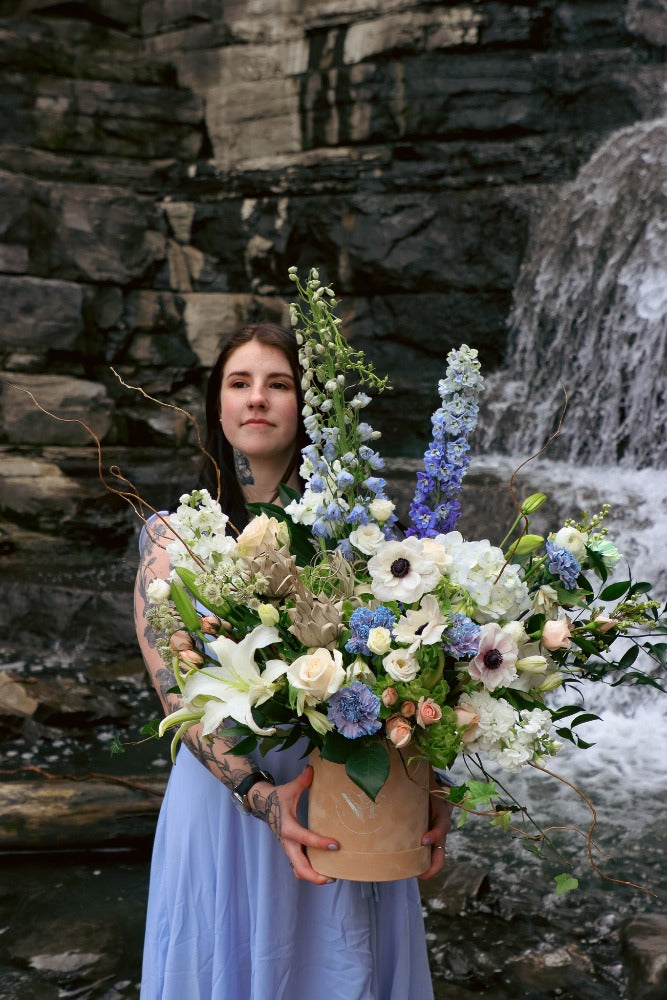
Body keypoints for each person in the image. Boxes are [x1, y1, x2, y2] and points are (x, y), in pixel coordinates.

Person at [135, 321, 452, 1000]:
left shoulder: (360, 535)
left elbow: (409, 673)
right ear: (217, 406)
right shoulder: (174, 539)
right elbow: (179, 696)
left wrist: (431, 783)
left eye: (278, 384)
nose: (257, 399)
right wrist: (261, 797)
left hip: (343, 800)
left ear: (305, 405)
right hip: (228, 808)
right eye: (239, 383)